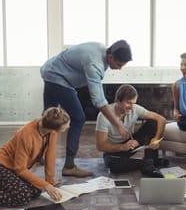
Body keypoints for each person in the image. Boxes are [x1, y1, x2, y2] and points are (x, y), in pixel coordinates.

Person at [40, 40, 133, 178]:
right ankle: (69, 166)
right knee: (78, 118)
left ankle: (38, 155)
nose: (119, 68)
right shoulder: (94, 63)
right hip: (58, 78)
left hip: (50, 71)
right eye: (119, 65)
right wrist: (118, 126)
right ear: (111, 56)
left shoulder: (101, 49)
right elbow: (98, 100)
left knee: (47, 121)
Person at [95, 84, 168, 176]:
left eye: (134, 103)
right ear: (117, 101)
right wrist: (123, 147)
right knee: (113, 165)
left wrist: (156, 139)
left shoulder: (135, 108)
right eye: (129, 103)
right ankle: (146, 164)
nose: (131, 106)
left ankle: (152, 159)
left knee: (153, 122)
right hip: (114, 150)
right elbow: (100, 146)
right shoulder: (103, 116)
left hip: (132, 143)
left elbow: (161, 119)